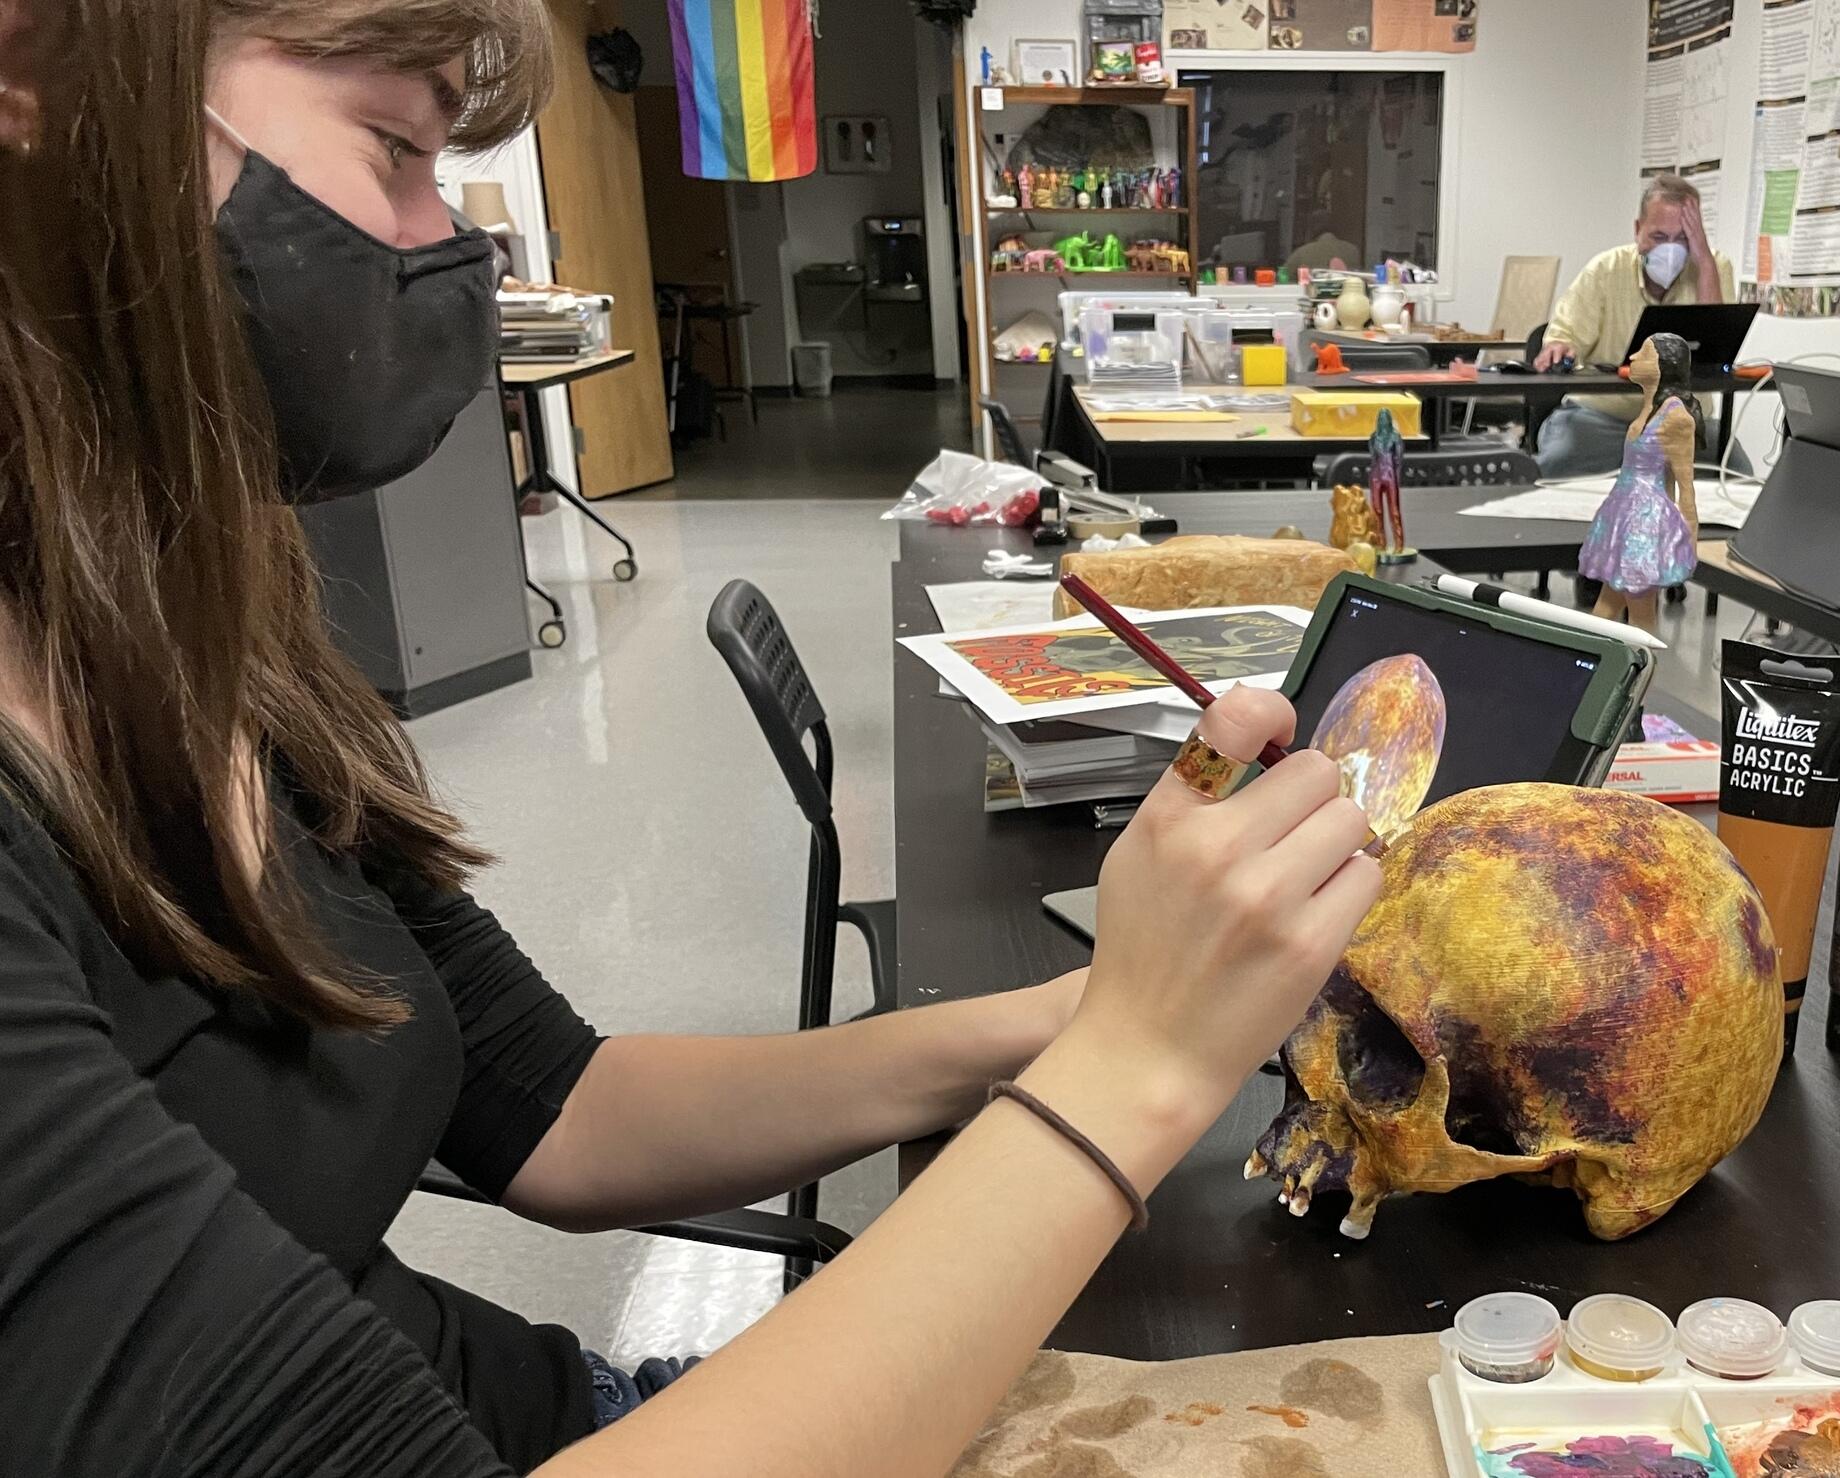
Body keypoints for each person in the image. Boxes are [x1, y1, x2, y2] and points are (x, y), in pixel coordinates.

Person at [0, 3, 1378, 1474]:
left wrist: (1088, 1012)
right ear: (35, 82)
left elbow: (565, 1112)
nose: (445, 244)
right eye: (395, 146)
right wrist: (1136, 1071)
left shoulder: (192, 658)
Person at [1533, 173, 1731, 478]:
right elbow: (1566, 335)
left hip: (1684, 421)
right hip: (1602, 415)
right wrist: (1560, 347)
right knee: (1558, 468)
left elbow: (1717, 347)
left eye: (1683, 239)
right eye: (1659, 237)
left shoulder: (1712, 268)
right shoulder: (1605, 269)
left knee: (1738, 480)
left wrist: (1703, 261)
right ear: (1638, 230)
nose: (1671, 251)